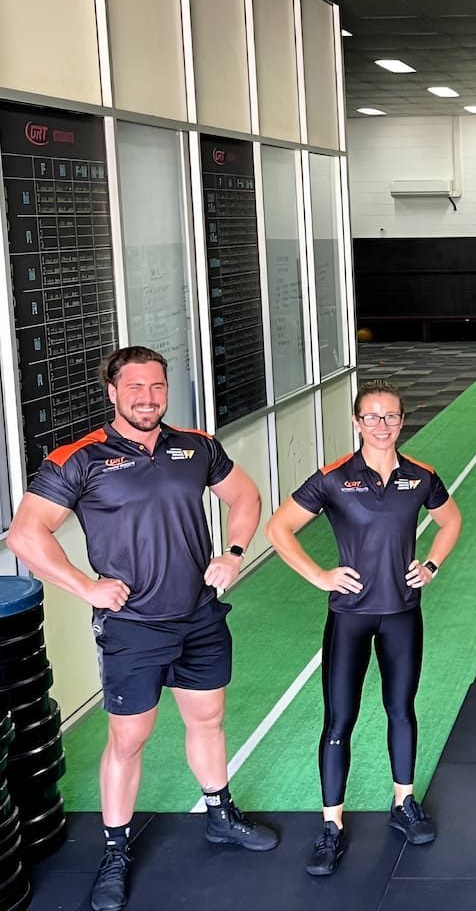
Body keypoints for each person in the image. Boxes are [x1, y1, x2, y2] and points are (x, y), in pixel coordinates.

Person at [6, 346, 277, 911]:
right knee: (129, 741)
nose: (147, 398)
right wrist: (85, 587)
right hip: (133, 627)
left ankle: (220, 815)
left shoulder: (196, 446)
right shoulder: (79, 459)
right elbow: (25, 535)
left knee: (208, 718)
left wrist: (231, 551)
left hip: (200, 617)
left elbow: (246, 497)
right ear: (112, 392)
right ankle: (115, 850)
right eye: (135, 387)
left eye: (156, 386)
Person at [265, 380, 461, 876]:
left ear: (401, 421)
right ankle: (331, 826)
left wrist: (432, 565)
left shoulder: (421, 476)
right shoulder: (332, 477)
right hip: (349, 616)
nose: (381, 425)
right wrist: (319, 575)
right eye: (371, 417)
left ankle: (403, 802)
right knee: (340, 720)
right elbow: (278, 527)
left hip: (401, 612)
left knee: (401, 708)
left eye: (390, 416)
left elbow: (451, 521)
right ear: (356, 423)